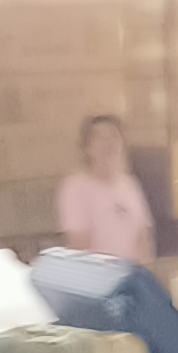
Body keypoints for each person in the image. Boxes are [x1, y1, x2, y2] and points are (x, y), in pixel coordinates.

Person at [52, 109, 156, 267]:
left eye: (114, 136)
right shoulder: (75, 187)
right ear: (87, 148)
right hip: (96, 277)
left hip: (133, 275)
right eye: (99, 138)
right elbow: (78, 247)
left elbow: (143, 238)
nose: (108, 143)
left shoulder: (130, 184)